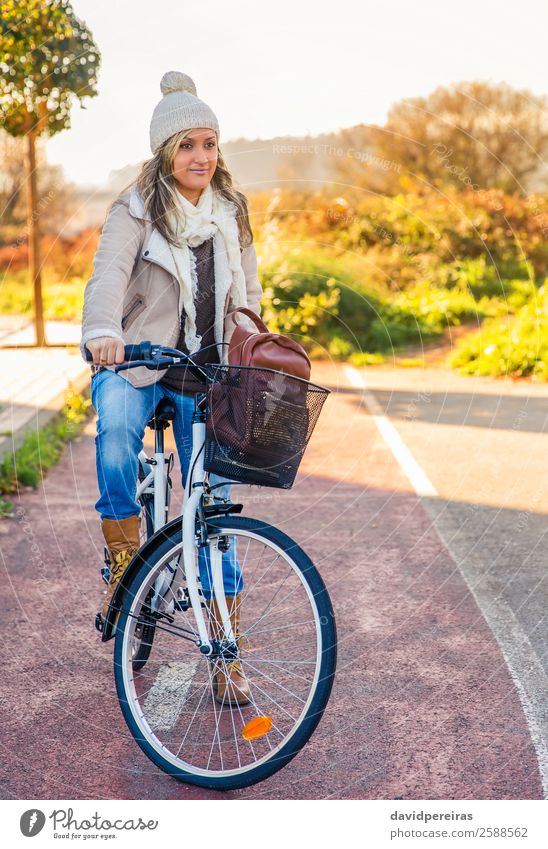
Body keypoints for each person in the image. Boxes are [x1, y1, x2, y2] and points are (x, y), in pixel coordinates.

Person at [80, 71, 263, 704]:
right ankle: (124, 560)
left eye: (209, 143)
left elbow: (250, 291)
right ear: (164, 152)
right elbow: (106, 280)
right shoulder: (133, 209)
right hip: (137, 359)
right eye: (187, 145)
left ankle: (226, 653)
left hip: (207, 373)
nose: (201, 158)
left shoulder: (230, 212)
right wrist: (104, 332)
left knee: (214, 510)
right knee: (117, 434)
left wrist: (251, 342)